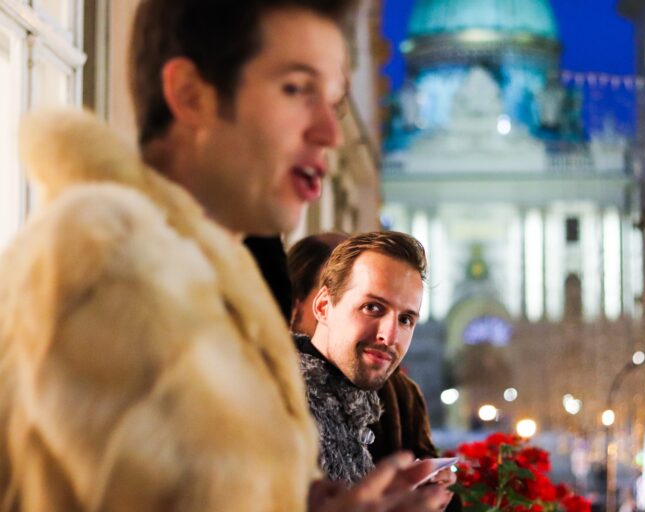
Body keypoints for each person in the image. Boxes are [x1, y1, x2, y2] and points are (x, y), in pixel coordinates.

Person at [0, 0, 445, 511]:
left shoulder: (215, 282)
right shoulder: (109, 272)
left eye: (334, 103)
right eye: (296, 90)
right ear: (192, 95)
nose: (330, 133)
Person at [292, 231, 455, 509]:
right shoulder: (266, 398)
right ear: (323, 306)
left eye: (405, 319)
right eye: (372, 307)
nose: (389, 335)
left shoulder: (391, 397)